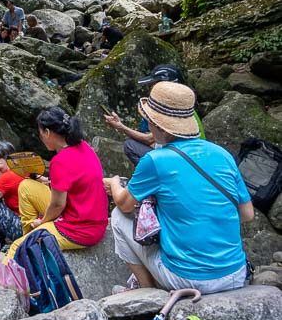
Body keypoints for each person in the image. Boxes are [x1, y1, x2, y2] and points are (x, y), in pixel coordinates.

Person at [103, 82, 255, 293]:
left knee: (118, 217)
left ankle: (146, 290)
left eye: (148, 121)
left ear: (157, 124)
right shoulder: (222, 154)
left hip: (187, 279)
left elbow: (124, 204)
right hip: (235, 273)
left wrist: (114, 183)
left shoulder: (155, 160)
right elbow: (247, 214)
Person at [9, 107, 108, 255]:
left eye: (41, 133)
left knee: (16, 248)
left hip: (80, 230)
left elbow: (58, 205)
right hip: (89, 215)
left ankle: (28, 245)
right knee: (26, 186)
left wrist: (42, 222)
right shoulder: (83, 146)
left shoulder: (60, 162)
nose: (40, 137)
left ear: (47, 132)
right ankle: (30, 238)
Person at [103, 64, 206, 165]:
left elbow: (149, 139)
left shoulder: (169, 115)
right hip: (187, 158)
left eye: (154, 86)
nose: (150, 89)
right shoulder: (185, 111)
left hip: (179, 160)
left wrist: (121, 127)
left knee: (130, 145)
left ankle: (150, 174)